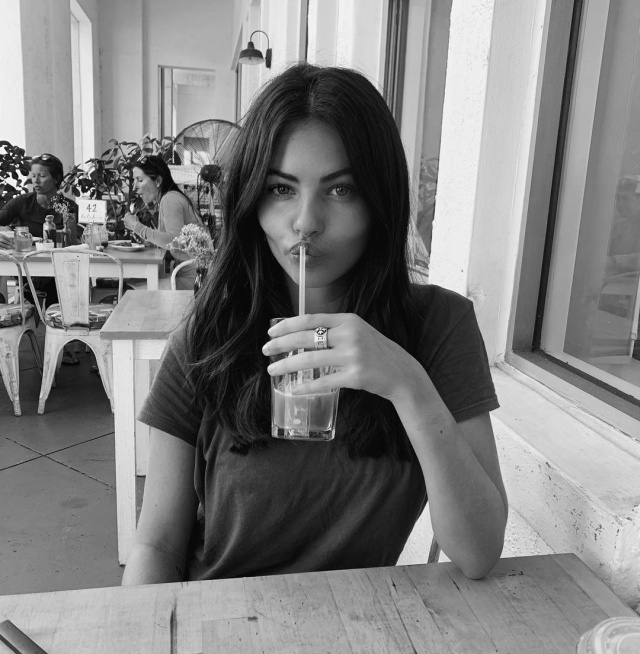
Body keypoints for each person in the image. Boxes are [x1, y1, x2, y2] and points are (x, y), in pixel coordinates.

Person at [122, 64, 508, 586]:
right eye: (281, 189)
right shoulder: (210, 337)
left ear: (379, 200)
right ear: (252, 200)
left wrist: (407, 384)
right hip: (215, 614)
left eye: (341, 190)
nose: (305, 222)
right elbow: (156, 545)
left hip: (361, 620)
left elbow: (478, 554)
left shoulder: (438, 327)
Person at [0, 153, 80, 364]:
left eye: (42, 176)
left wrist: (67, 225)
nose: (35, 180)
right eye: (33, 175)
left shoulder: (62, 205)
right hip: (28, 269)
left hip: (57, 267)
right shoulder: (22, 203)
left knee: (61, 281)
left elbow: (73, 237)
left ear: (56, 179)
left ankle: (62, 341)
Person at [122, 156, 204, 290]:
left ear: (158, 181)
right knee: (135, 282)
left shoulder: (170, 199)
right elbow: (177, 240)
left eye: (140, 180)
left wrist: (137, 227)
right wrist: (151, 240)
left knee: (131, 288)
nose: (135, 186)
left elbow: (174, 240)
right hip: (194, 276)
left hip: (195, 281)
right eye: (134, 180)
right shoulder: (171, 197)